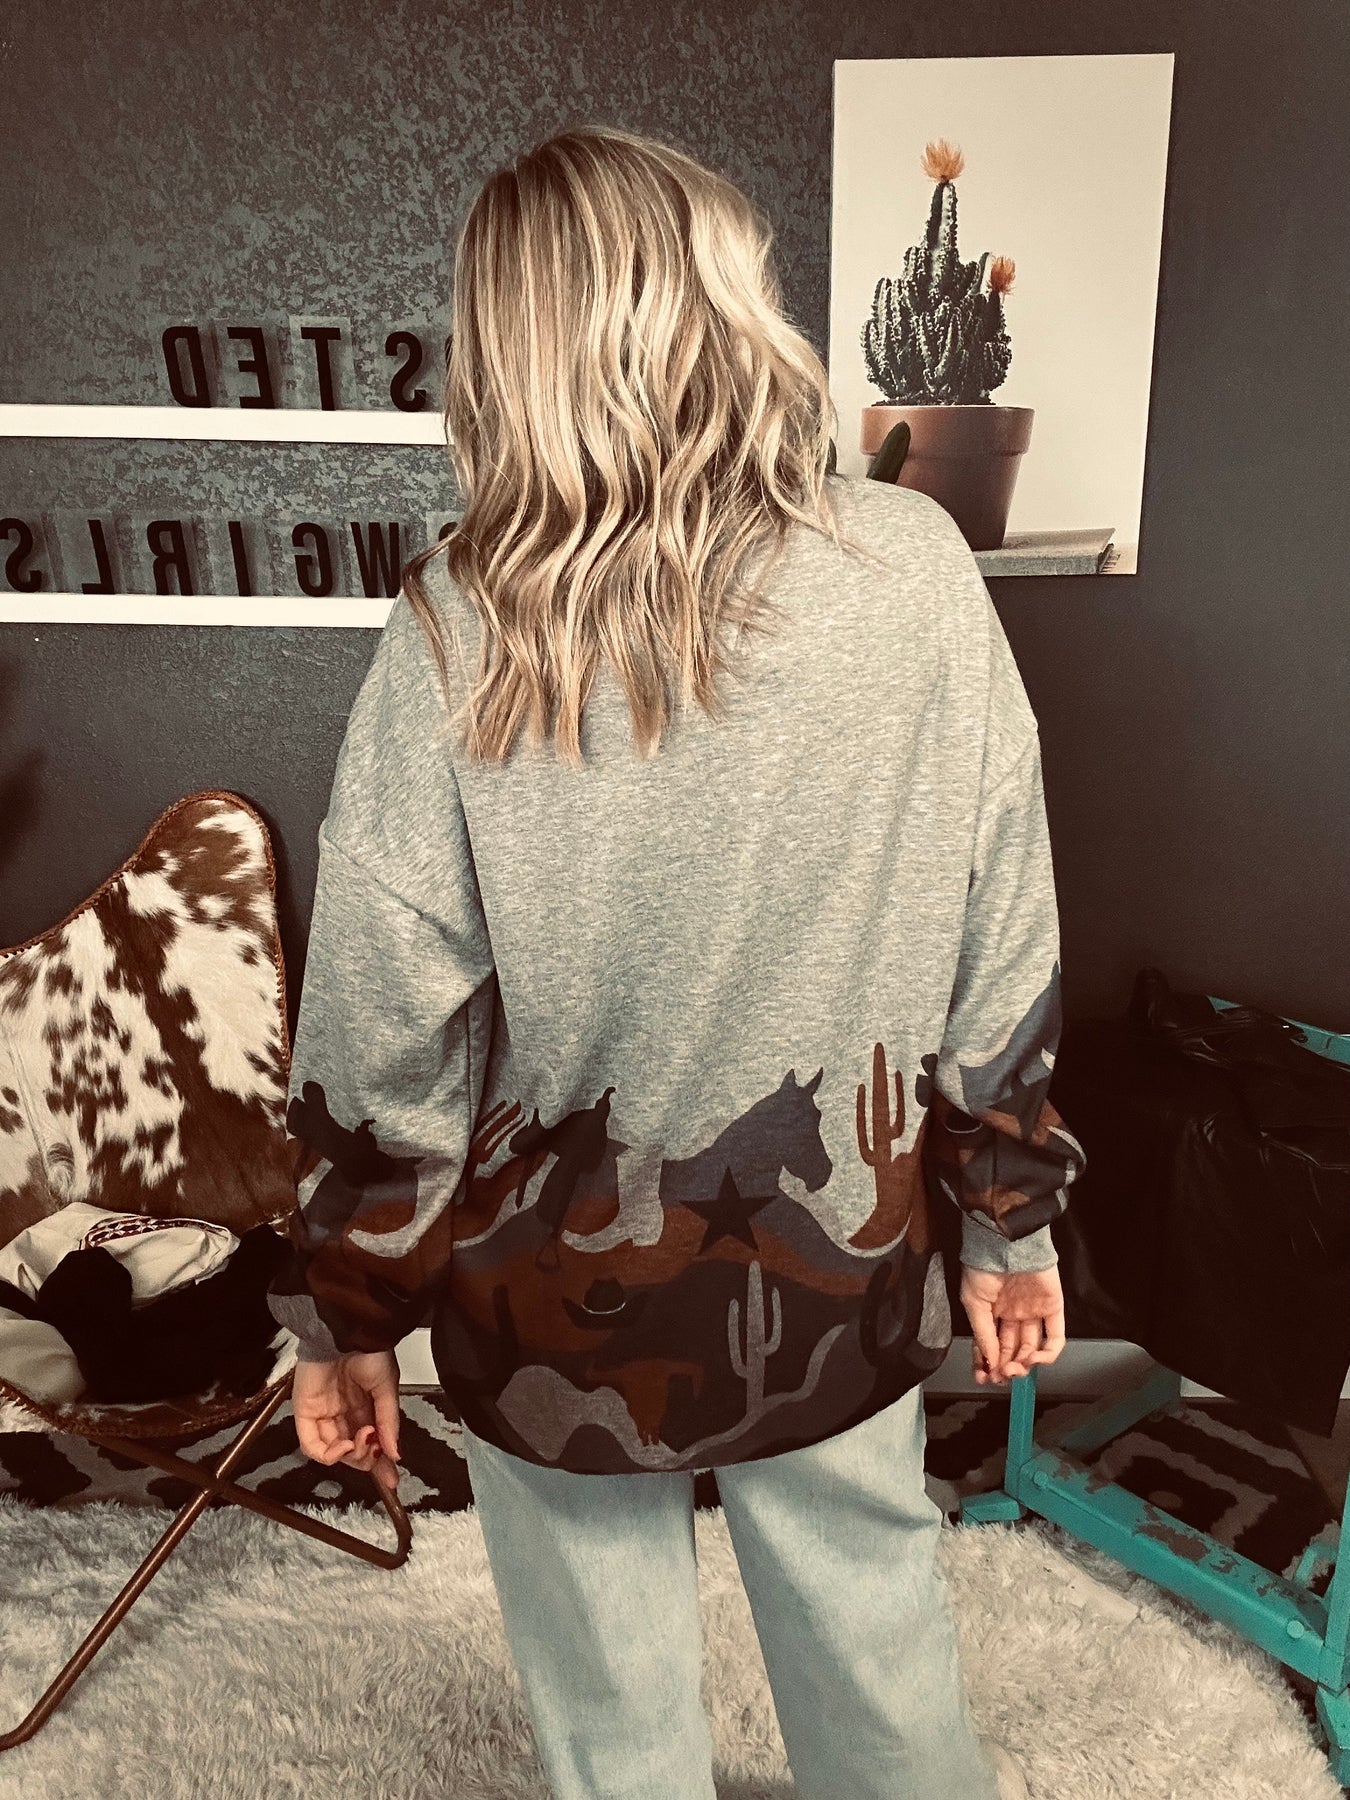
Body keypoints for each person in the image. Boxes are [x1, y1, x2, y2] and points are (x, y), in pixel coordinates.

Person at [266, 124, 1084, 1800]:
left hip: (545, 1298)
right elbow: (998, 940)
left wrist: (336, 1319)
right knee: (876, 1649)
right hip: (835, 1265)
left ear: (508, 353)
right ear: (725, 299)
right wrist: (1007, 1217)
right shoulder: (914, 568)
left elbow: (378, 1031)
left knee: (608, 1718)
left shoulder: (457, 624)